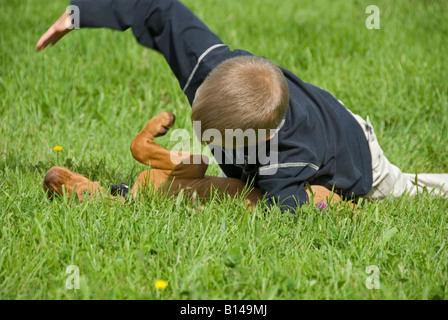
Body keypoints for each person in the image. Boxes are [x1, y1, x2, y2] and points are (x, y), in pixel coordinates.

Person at [37, 0, 448, 213]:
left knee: (404, 191)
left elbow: (288, 211)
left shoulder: (286, 161)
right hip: (305, 105)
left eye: (217, 139)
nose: (202, 140)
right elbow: (155, 7)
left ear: (262, 139)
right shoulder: (213, 71)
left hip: (356, 154)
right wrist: (78, 13)